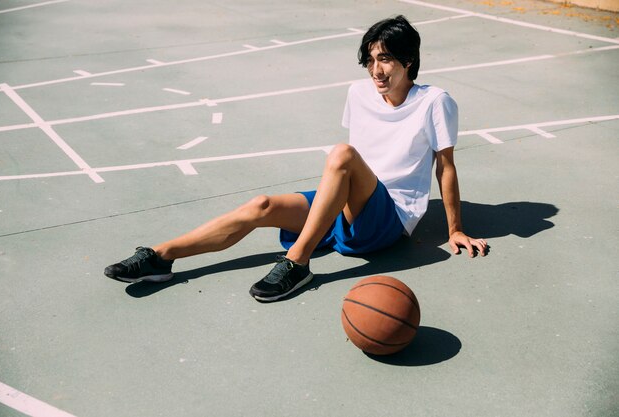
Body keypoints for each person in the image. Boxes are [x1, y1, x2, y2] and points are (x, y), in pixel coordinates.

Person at [104, 15, 488, 302]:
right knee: (262, 205)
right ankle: (161, 258)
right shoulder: (358, 93)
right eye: (370, 60)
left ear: (408, 60)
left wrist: (454, 229)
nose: (376, 70)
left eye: (385, 59)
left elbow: (446, 166)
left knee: (341, 153)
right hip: (350, 207)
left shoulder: (435, 101)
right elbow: (356, 165)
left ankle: (299, 262)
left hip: (390, 218)